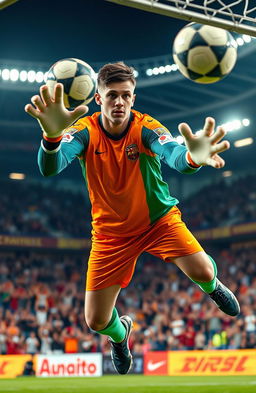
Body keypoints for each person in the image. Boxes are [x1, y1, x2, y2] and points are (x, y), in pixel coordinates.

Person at [25, 61, 240, 374]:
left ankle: (215, 288)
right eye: (112, 95)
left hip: (158, 223)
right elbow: (50, 167)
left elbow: (176, 157)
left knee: (204, 270)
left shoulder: (146, 128)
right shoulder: (84, 132)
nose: (119, 102)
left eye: (126, 95)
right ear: (98, 99)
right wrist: (51, 137)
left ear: (133, 98)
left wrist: (193, 157)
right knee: (96, 321)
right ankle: (121, 336)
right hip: (111, 235)